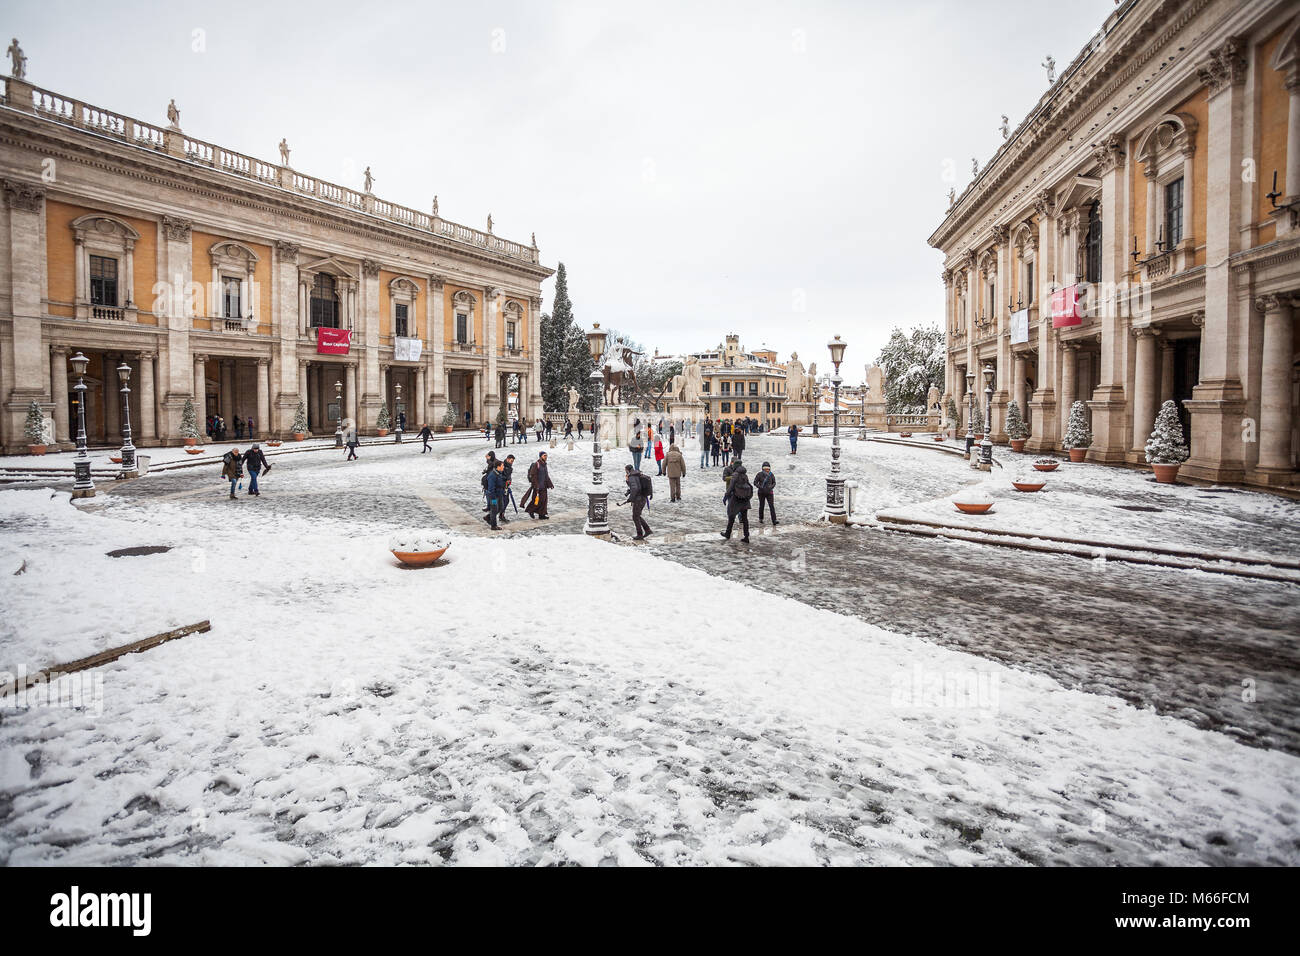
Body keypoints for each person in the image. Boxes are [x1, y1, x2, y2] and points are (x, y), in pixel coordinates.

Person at [720, 462, 752, 543]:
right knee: (745, 519)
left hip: (736, 499)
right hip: (745, 499)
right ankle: (746, 536)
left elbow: (730, 487)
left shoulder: (735, 475)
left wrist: (725, 497)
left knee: (731, 516)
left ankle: (728, 533)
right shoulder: (745, 475)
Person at [621, 464, 652, 540]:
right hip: (642, 498)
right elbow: (636, 486)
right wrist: (629, 491)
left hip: (639, 499)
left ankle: (640, 534)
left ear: (627, 470)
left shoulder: (632, 477)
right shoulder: (636, 474)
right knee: (637, 515)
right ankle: (647, 530)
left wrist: (630, 499)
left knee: (635, 516)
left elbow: (635, 488)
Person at [525, 451, 554, 519]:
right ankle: (530, 510)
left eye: (546, 455)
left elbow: (546, 476)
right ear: (540, 456)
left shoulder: (544, 465)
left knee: (544, 500)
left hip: (543, 486)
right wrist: (536, 485)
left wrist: (550, 484)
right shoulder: (536, 464)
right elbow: (533, 475)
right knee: (536, 500)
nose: (546, 457)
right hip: (537, 486)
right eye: (544, 455)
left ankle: (542, 514)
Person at [485, 460, 507, 530]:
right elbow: (491, 488)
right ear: (498, 467)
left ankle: (488, 517)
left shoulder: (499, 473)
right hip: (493, 496)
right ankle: (493, 526)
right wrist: (493, 497)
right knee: (494, 510)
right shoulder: (492, 475)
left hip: (499, 494)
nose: (503, 467)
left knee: (501, 507)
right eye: (502, 466)